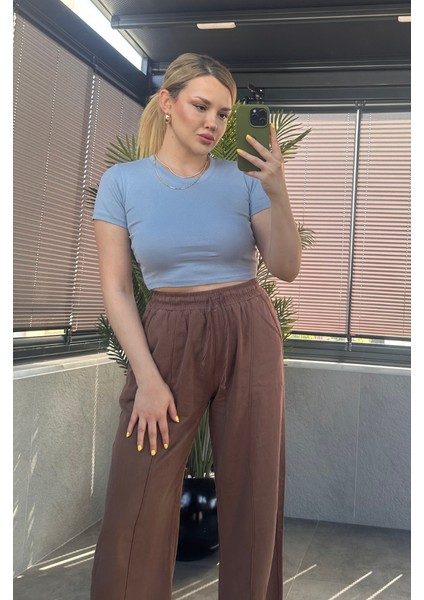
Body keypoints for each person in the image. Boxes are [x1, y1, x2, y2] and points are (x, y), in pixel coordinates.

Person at [90, 53, 301, 600]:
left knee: (253, 492)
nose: (213, 123)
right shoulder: (122, 182)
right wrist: (147, 379)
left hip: (247, 328)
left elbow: (285, 267)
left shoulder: (245, 181)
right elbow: (116, 290)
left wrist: (277, 190)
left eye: (223, 114)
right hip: (167, 334)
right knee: (137, 497)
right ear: (167, 102)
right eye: (201, 106)